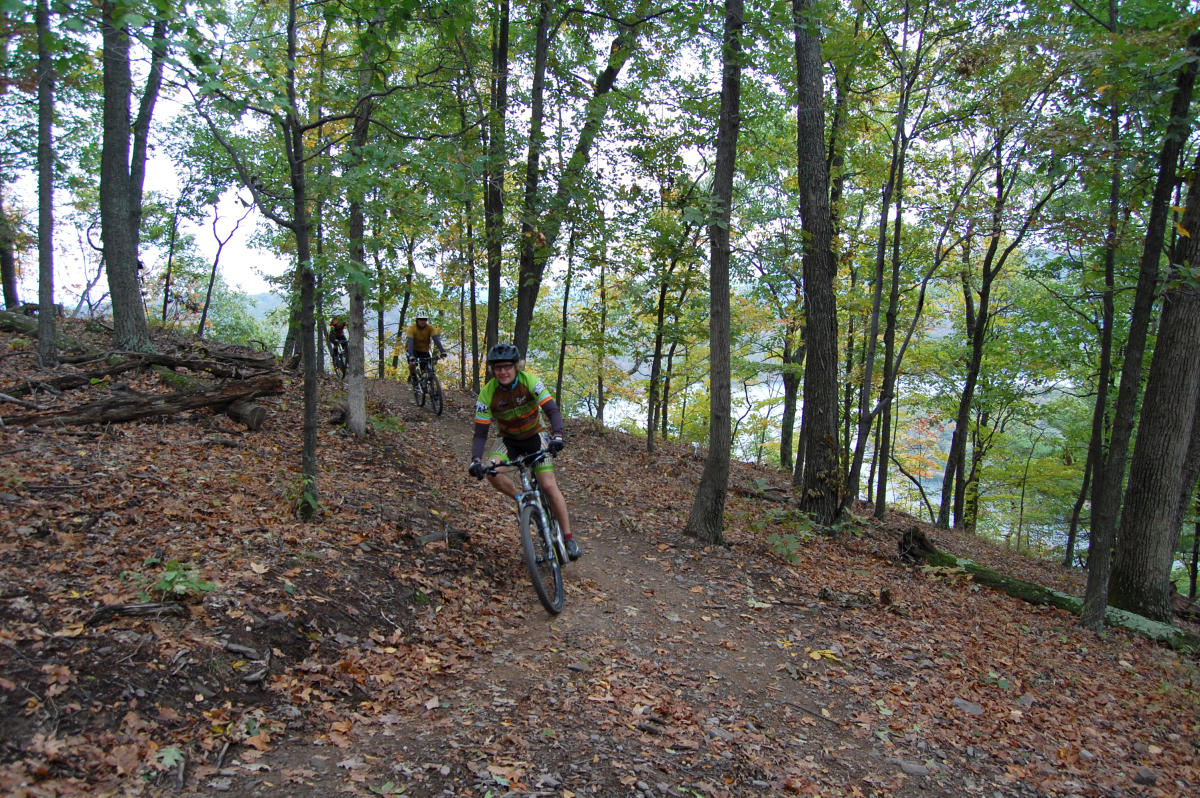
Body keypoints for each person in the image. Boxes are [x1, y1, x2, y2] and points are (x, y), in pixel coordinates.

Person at [468, 343, 581, 561]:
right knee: (492, 470)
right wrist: (475, 460)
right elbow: (480, 434)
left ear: (516, 366)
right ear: (493, 370)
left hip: (535, 436)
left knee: (548, 485)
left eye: (507, 367)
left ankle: (568, 537)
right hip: (508, 441)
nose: (503, 372)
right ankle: (521, 500)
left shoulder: (530, 381)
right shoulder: (487, 393)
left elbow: (552, 410)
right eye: (498, 368)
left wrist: (557, 435)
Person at [405, 311, 448, 383]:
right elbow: (410, 342)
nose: (423, 321)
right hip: (412, 349)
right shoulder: (411, 328)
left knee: (427, 369)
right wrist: (411, 356)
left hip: (424, 350)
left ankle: (428, 385)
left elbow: (436, 339)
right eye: (421, 319)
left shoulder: (430, 328)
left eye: (425, 319)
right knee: (412, 364)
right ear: (417, 320)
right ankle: (413, 378)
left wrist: (442, 351)